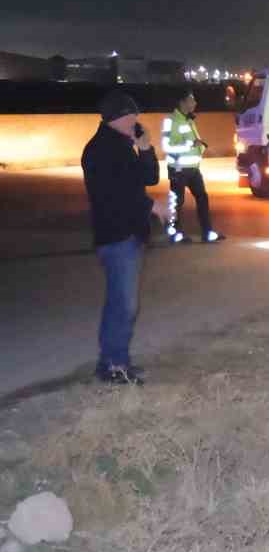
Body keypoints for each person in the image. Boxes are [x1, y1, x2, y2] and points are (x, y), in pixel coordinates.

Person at [81, 91, 160, 384]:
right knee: (124, 304)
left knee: (121, 302)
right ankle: (113, 365)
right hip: (116, 236)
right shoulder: (100, 150)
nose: (136, 122)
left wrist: (146, 149)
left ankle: (114, 361)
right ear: (119, 117)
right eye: (132, 118)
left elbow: (148, 179)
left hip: (129, 234)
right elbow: (115, 194)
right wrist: (153, 206)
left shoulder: (124, 146)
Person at [161, 89, 224, 243]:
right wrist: (190, 144)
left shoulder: (189, 120)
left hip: (193, 169)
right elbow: (166, 146)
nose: (195, 103)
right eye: (192, 100)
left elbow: (195, 142)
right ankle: (175, 234)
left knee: (202, 198)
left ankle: (207, 232)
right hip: (178, 169)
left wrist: (200, 148)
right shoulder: (171, 121)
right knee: (177, 201)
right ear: (182, 102)